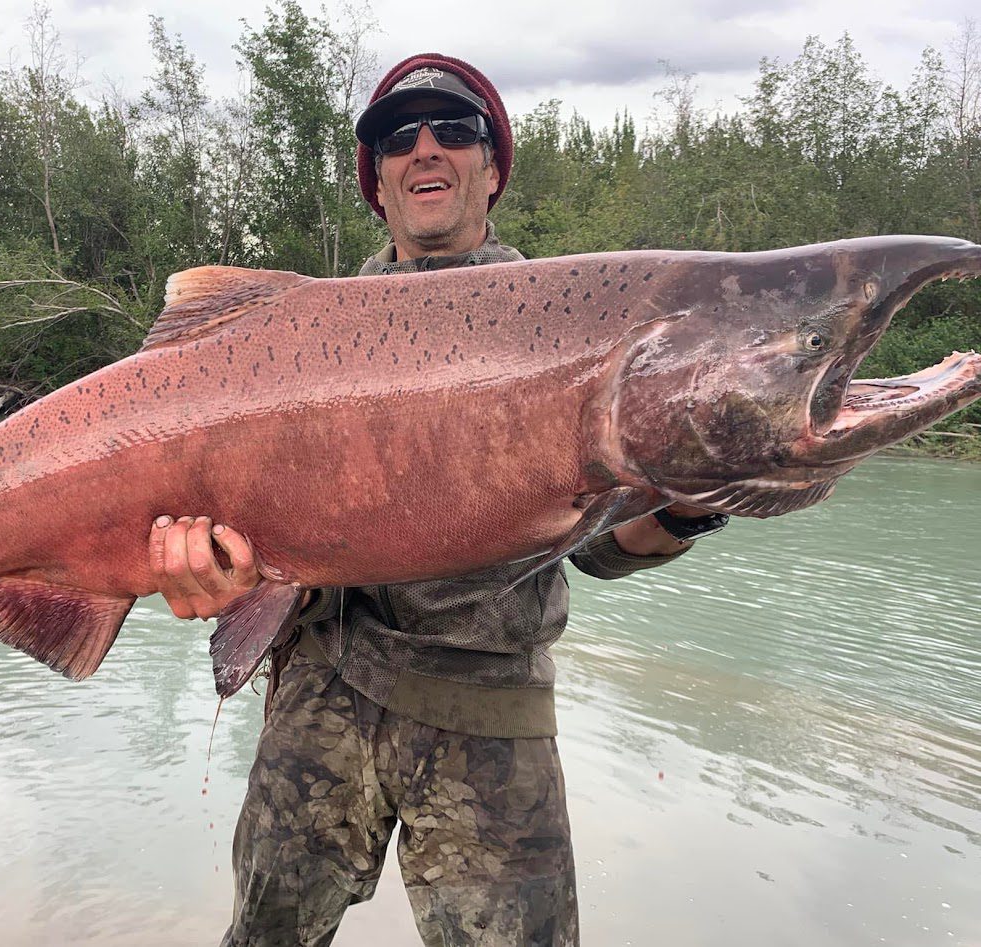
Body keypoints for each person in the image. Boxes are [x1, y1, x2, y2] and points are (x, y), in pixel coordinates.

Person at [147, 54, 729, 947]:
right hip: (319, 690)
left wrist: (688, 503)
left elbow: (599, 546)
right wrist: (220, 572)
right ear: (376, 183)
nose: (425, 148)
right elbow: (245, 533)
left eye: (453, 130)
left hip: (488, 709)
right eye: (396, 138)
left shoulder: (567, 324)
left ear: (491, 170)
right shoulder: (302, 335)